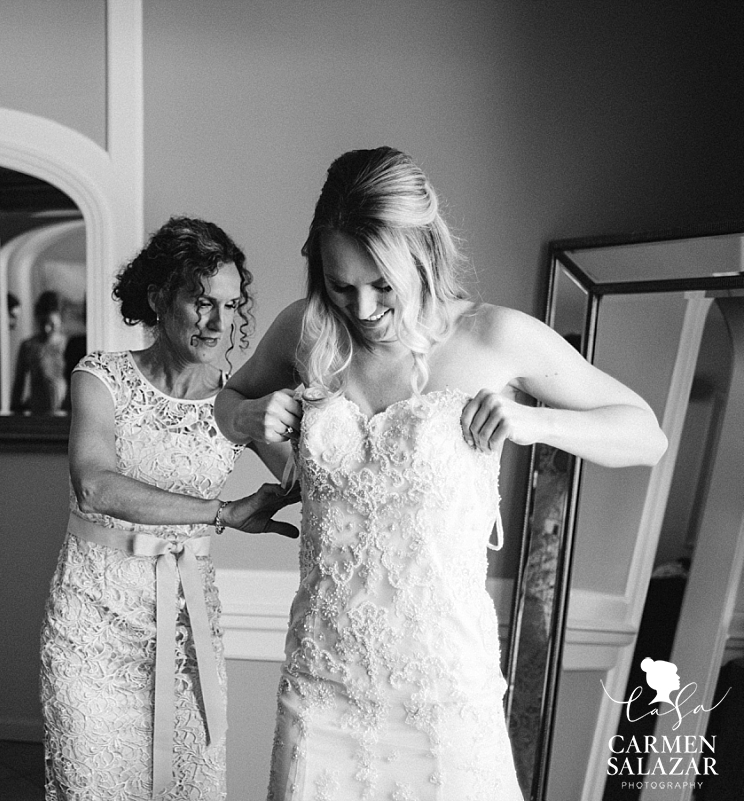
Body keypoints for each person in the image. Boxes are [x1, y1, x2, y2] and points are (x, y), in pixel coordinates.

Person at [214, 147, 667, 801]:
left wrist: (535, 423)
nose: (362, 307)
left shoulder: (494, 338)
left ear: (422, 254)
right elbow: (227, 407)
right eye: (341, 285)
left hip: (442, 695)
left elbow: (645, 432)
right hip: (322, 685)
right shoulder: (307, 330)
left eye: (381, 285)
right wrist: (254, 416)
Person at [39, 216, 300, 801]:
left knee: (188, 786)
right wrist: (222, 513)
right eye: (202, 302)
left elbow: (302, 475)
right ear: (159, 298)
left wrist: (321, 414)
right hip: (92, 625)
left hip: (187, 623)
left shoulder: (239, 399)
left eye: (231, 306)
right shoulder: (99, 377)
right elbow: (95, 487)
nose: (219, 322)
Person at [11, 290, 69, 415]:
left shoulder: (68, 346)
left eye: (51, 324)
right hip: (37, 416)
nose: (46, 329)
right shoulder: (28, 346)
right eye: (42, 323)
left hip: (64, 418)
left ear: (60, 320)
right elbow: (18, 387)